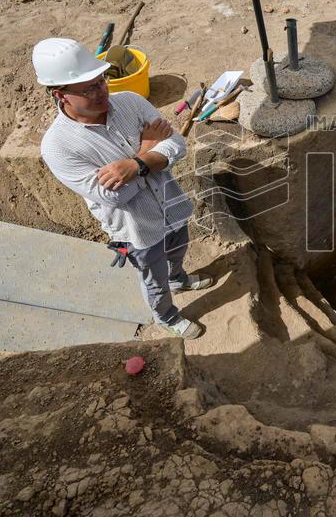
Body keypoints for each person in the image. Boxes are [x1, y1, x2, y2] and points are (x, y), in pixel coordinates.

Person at [35, 37, 210, 340]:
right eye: (88, 89)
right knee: (153, 277)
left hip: (170, 204)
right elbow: (113, 196)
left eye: (101, 80)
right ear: (60, 94)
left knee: (178, 247)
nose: (102, 91)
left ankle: (178, 278)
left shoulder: (129, 101)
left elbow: (177, 145)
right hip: (136, 229)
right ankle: (166, 316)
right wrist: (147, 152)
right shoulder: (58, 146)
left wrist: (136, 166)